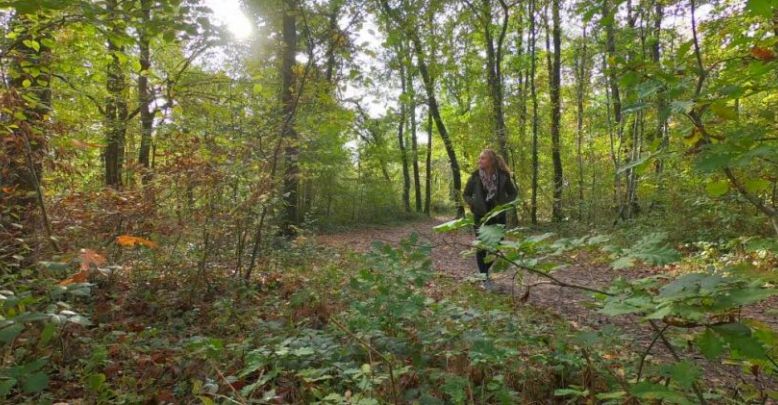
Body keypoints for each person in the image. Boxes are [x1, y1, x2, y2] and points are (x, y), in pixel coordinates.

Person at [463, 149, 518, 288]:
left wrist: (503, 205)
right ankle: (484, 278)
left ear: (491, 161)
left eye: (482, 158)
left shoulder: (503, 176)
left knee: (496, 247)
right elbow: (466, 194)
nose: (479, 161)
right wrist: (474, 204)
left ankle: (484, 273)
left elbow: (513, 193)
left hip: (498, 216)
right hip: (480, 217)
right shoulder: (475, 176)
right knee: (481, 247)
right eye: (479, 158)